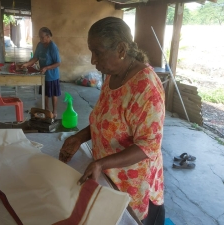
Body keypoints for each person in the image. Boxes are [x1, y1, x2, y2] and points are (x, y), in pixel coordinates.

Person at [59, 17, 165, 225]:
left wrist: (102, 163)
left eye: (97, 52)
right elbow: (106, 121)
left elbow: (148, 146)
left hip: (134, 185)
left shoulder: (146, 88)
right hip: (109, 177)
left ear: (121, 49)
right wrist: (79, 137)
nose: (92, 60)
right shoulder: (111, 76)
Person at [21, 27, 61, 118]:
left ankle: (54, 111)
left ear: (48, 36)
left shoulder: (53, 47)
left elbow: (58, 63)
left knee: (54, 94)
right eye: (39, 37)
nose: (40, 39)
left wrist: (47, 67)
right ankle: (46, 110)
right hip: (43, 75)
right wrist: (26, 64)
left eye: (42, 37)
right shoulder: (40, 45)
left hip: (52, 75)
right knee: (45, 93)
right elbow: (35, 58)